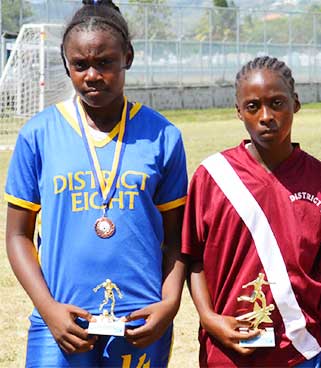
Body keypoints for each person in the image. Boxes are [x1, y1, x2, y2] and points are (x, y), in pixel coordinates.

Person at [4, 0, 187, 366]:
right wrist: (48, 308)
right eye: (80, 65)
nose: (92, 75)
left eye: (105, 62)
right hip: (61, 321)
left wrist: (169, 304)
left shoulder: (162, 135)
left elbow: (177, 238)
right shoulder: (38, 134)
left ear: (127, 58)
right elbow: (17, 236)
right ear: (66, 63)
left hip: (141, 320)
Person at [182, 56, 321, 368]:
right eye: (253, 106)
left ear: (296, 104)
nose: (267, 116)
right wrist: (210, 319)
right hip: (228, 353)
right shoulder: (212, 176)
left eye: (277, 103)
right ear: (238, 110)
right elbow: (193, 259)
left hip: (300, 352)